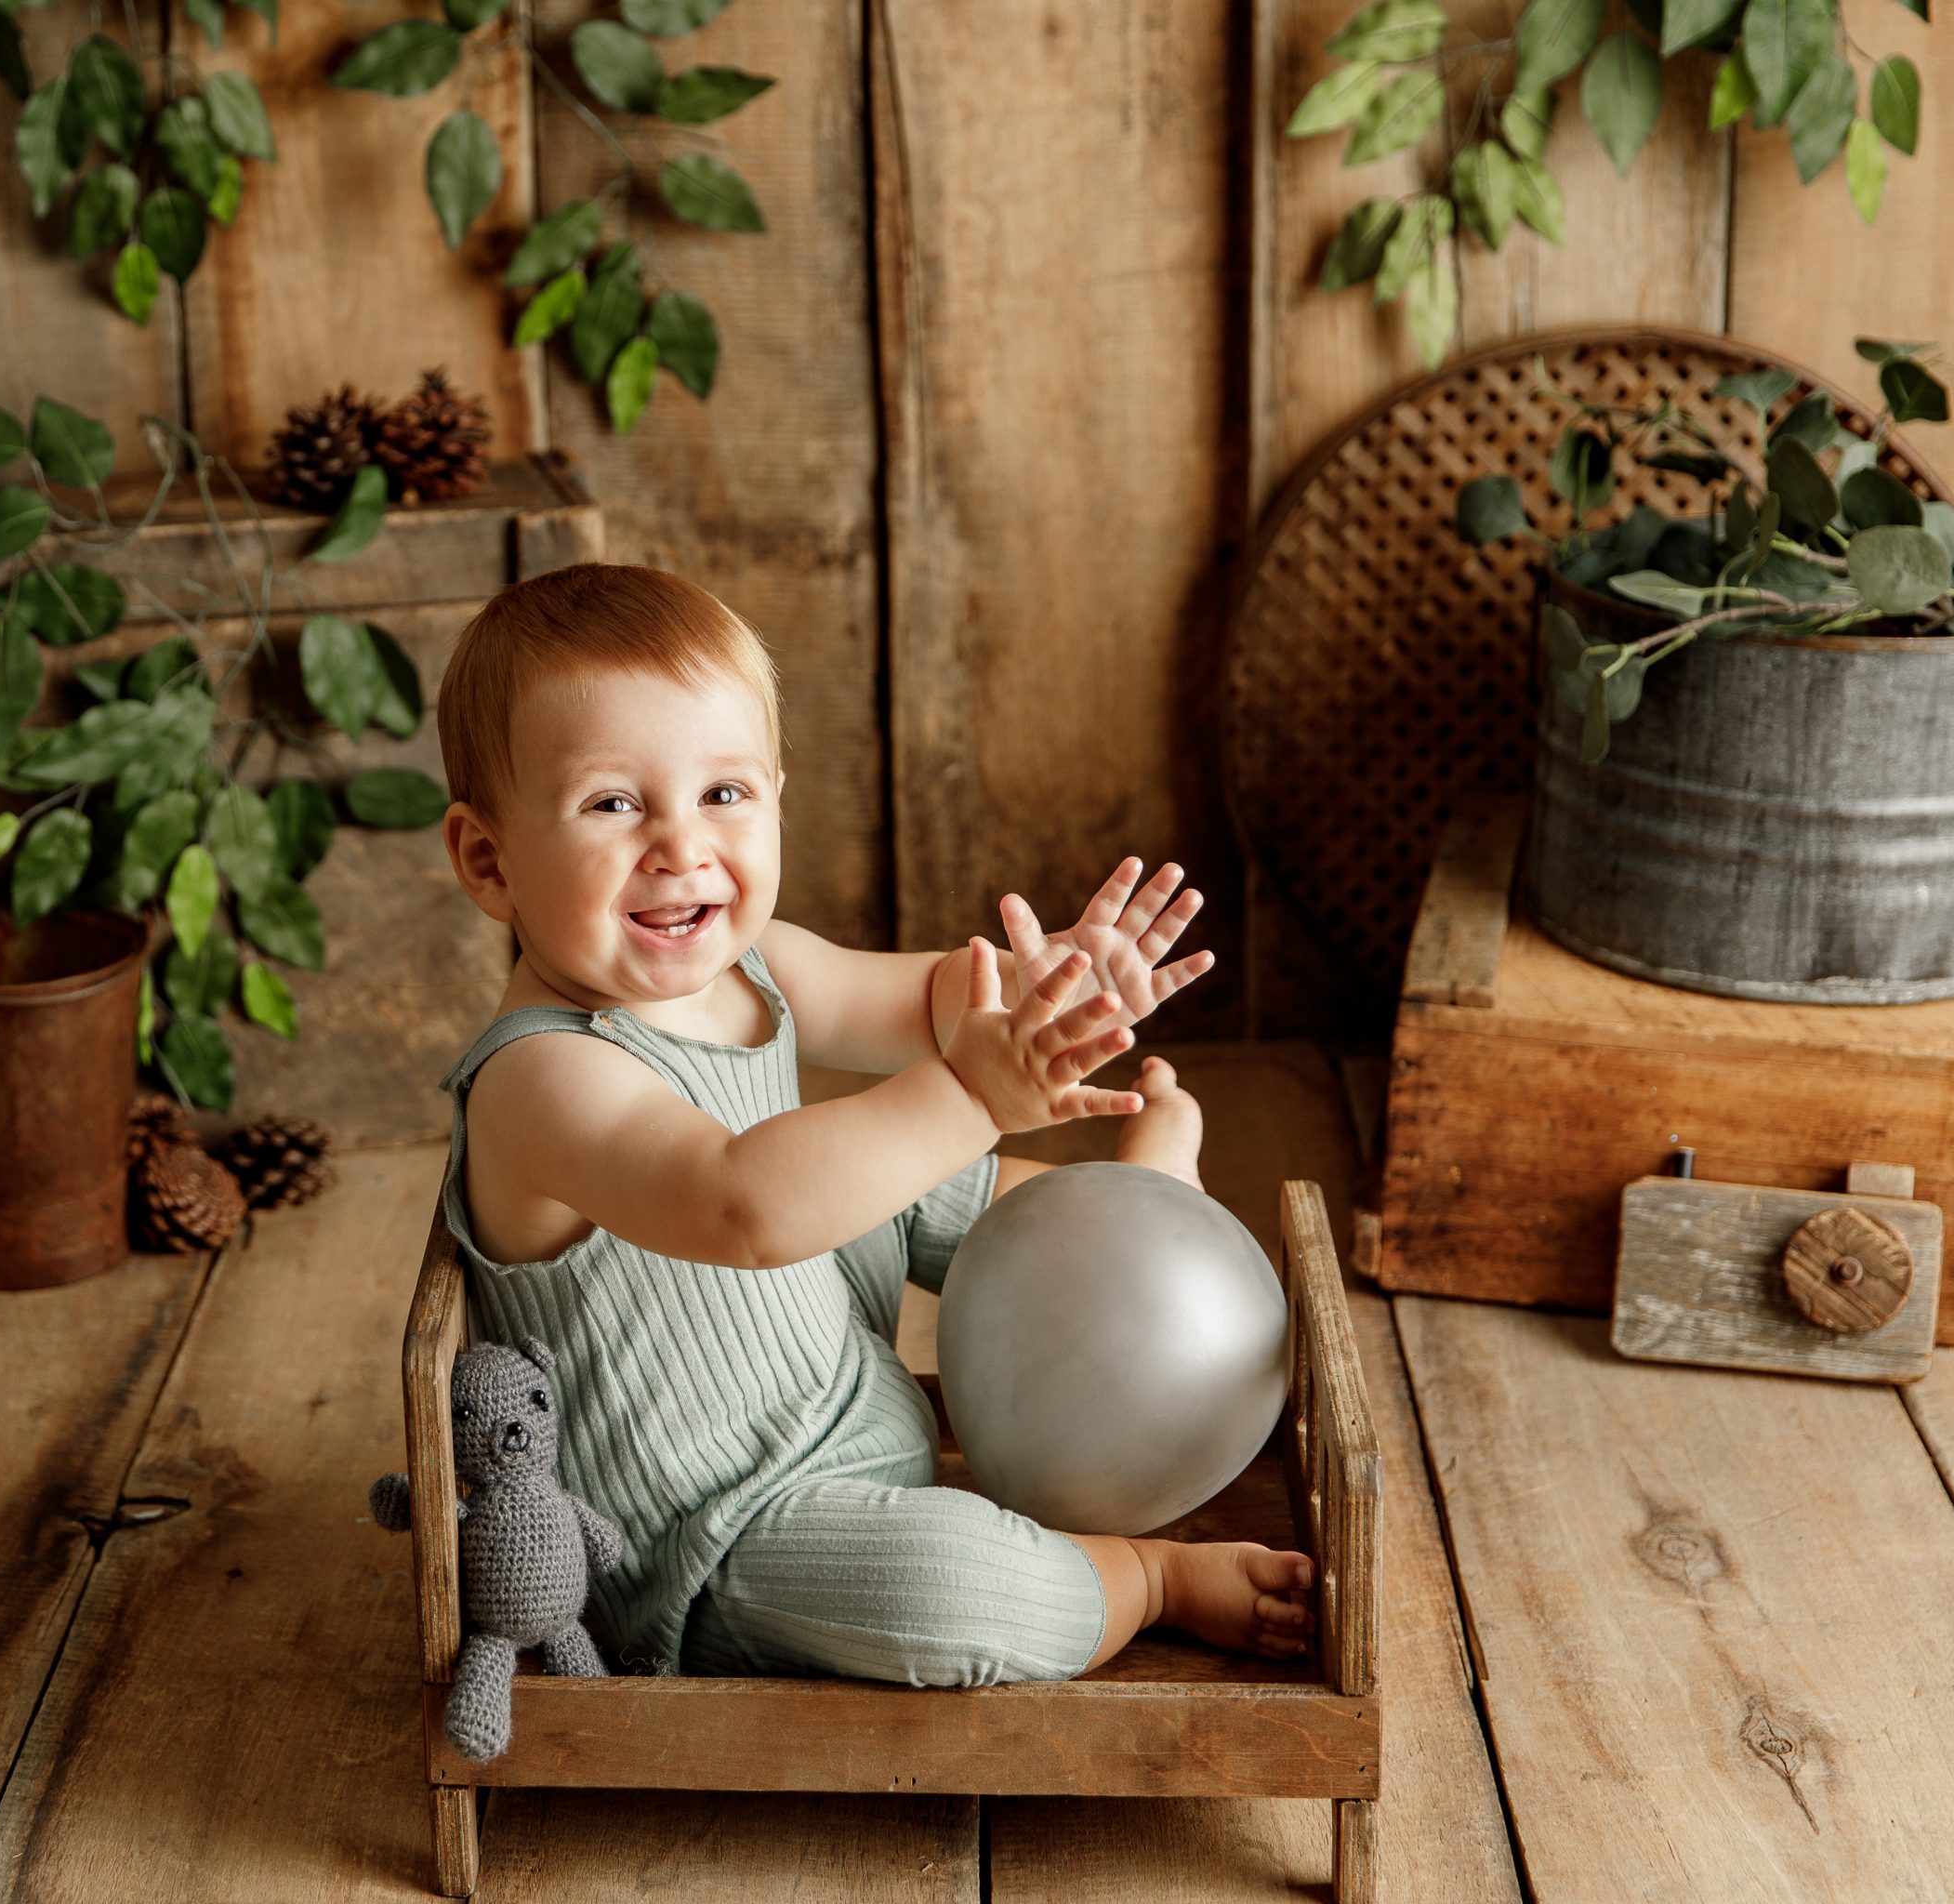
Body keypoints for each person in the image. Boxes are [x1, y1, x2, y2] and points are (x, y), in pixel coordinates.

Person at [431, 562, 1313, 1686]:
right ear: (489, 858)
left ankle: (1136, 1214)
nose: (682, 846)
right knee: (951, 1596)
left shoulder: (755, 965)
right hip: (723, 1537)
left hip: (842, 1362)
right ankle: (1142, 1574)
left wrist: (1049, 989)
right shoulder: (540, 1077)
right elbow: (740, 1201)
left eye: (724, 794)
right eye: (613, 803)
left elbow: (933, 999)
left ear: (778, 792)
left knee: (906, 1166)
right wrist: (978, 1093)